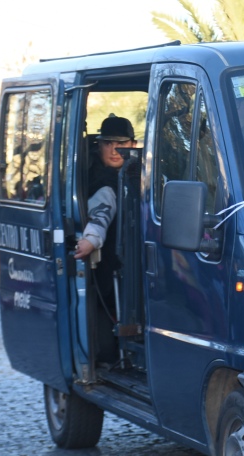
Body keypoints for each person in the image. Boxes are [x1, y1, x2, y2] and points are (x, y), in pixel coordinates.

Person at [73, 114, 137, 363]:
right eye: (108, 143)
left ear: (132, 145)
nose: (114, 149)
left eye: (120, 143)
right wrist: (90, 240)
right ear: (99, 145)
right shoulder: (102, 183)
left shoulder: (140, 176)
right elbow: (100, 215)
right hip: (110, 272)